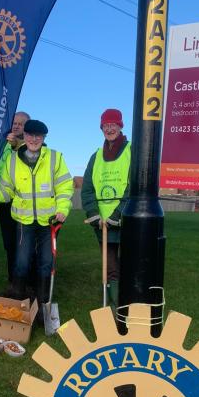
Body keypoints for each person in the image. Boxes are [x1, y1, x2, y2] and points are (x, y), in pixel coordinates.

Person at [0, 118, 73, 309]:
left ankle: (42, 305)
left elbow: (65, 187)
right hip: (24, 221)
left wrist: (62, 209)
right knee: (22, 262)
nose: (34, 139)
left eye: (38, 136)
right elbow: (6, 191)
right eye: (30, 135)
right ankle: (18, 300)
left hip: (49, 222)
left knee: (46, 262)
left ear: (43, 138)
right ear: (24, 136)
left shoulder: (55, 158)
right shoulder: (12, 160)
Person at [81, 108, 131, 309]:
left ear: (120, 126)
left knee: (129, 264)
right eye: (106, 125)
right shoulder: (96, 156)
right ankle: (115, 304)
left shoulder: (131, 150)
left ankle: (130, 300)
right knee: (110, 266)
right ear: (102, 128)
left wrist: (118, 214)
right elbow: (87, 188)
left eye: (113, 124)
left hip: (125, 219)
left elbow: (134, 185)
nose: (109, 128)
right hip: (102, 223)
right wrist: (93, 213)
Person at [0, 111, 29, 284]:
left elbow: (29, 158)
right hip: (4, 199)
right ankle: (13, 280)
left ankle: (26, 280)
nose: (16, 125)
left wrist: (17, 145)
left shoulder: (31, 144)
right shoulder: (4, 144)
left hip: (23, 202)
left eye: (20, 123)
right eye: (14, 122)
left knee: (23, 243)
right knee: (9, 243)